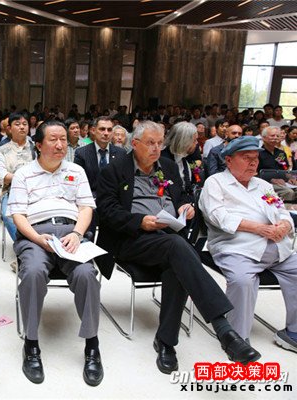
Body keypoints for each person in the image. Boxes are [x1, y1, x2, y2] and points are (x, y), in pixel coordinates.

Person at [95, 120, 261, 375]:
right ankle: (223, 329)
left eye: (160, 143)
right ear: (135, 143)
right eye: (150, 143)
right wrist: (140, 221)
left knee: (177, 263)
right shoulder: (114, 170)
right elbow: (107, 212)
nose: (156, 148)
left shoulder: (169, 167)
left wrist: (186, 206)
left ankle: (166, 342)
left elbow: (181, 195)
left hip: (168, 238)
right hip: (131, 239)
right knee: (179, 247)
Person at [8, 120, 103, 386]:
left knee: (86, 274)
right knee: (33, 272)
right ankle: (31, 343)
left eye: (63, 139)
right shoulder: (24, 174)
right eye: (53, 139)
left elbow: (86, 208)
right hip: (37, 234)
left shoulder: (76, 171)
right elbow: (18, 215)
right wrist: (37, 238)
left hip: (72, 233)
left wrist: (77, 234)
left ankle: (92, 344)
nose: (60, 144)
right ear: (38, 145)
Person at [199, 136, 297, 353]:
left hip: (278, 248)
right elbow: (219, 217)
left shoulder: (263, 185)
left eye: (256, 158)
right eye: (246, 158)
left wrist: (284, 225)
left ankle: (294, 332)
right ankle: (236, 338)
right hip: (237, 248)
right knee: (242, 281)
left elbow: (282, 211)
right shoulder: (215, 183)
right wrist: (259, 228)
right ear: (229, 160)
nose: (253, 163)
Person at [74, 116, 125, 235]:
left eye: (109, 130)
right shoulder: (82, 153)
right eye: (102, 129)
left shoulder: (121, 153)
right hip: (91, 199)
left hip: (114, 200)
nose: (106, 133)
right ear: (93, 130)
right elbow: (78, 183)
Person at [0, 112, 35, 244]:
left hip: (37, 189)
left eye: (25, 124)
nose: (22, 127)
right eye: (17, 124)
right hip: (12, 191)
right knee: (8, 215)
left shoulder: (37, 147)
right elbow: (2, 176)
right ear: (9, 128)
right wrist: (24, 177)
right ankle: (24, 246)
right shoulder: (2, 150)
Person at [160, 122, 202, 196]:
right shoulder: (162, 161)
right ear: (185, 142)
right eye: (194, 140)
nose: (196, 143)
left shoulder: (184, 160)